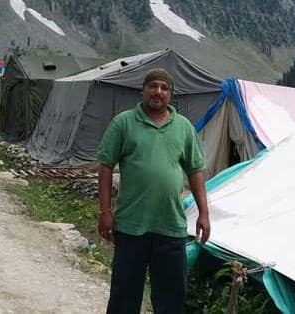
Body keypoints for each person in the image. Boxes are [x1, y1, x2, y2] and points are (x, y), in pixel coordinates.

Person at [97, 68, 211, 314]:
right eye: (153, 86)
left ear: (170, 94)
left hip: (170, 227)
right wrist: (105, 211)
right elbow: (105, 166)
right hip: (131, 227)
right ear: (144, 90)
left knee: (170, 297)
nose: (158, 91)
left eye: (164, 87)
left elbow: (195, 171)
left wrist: (204, 213)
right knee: (124, 296)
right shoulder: (124, 123)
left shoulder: (183, 127)